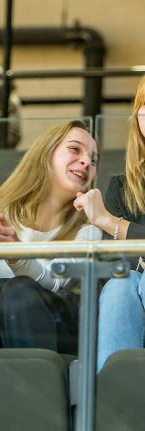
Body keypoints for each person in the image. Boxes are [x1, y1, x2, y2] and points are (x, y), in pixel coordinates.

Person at [0, 120, 100, 354]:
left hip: (48, 331)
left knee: (20, 292)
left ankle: (38, 388)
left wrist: (16, 254)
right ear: (46, 153)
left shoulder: (88, 230)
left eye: (93, 160)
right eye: (75, 149)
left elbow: (54, 283)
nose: (86, 162)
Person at [74, 76, 145, 371]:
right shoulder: (122, 188)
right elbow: (117, 262)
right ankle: (113, 399)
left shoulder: (108, 206)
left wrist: (106, 220)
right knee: (118, 285)